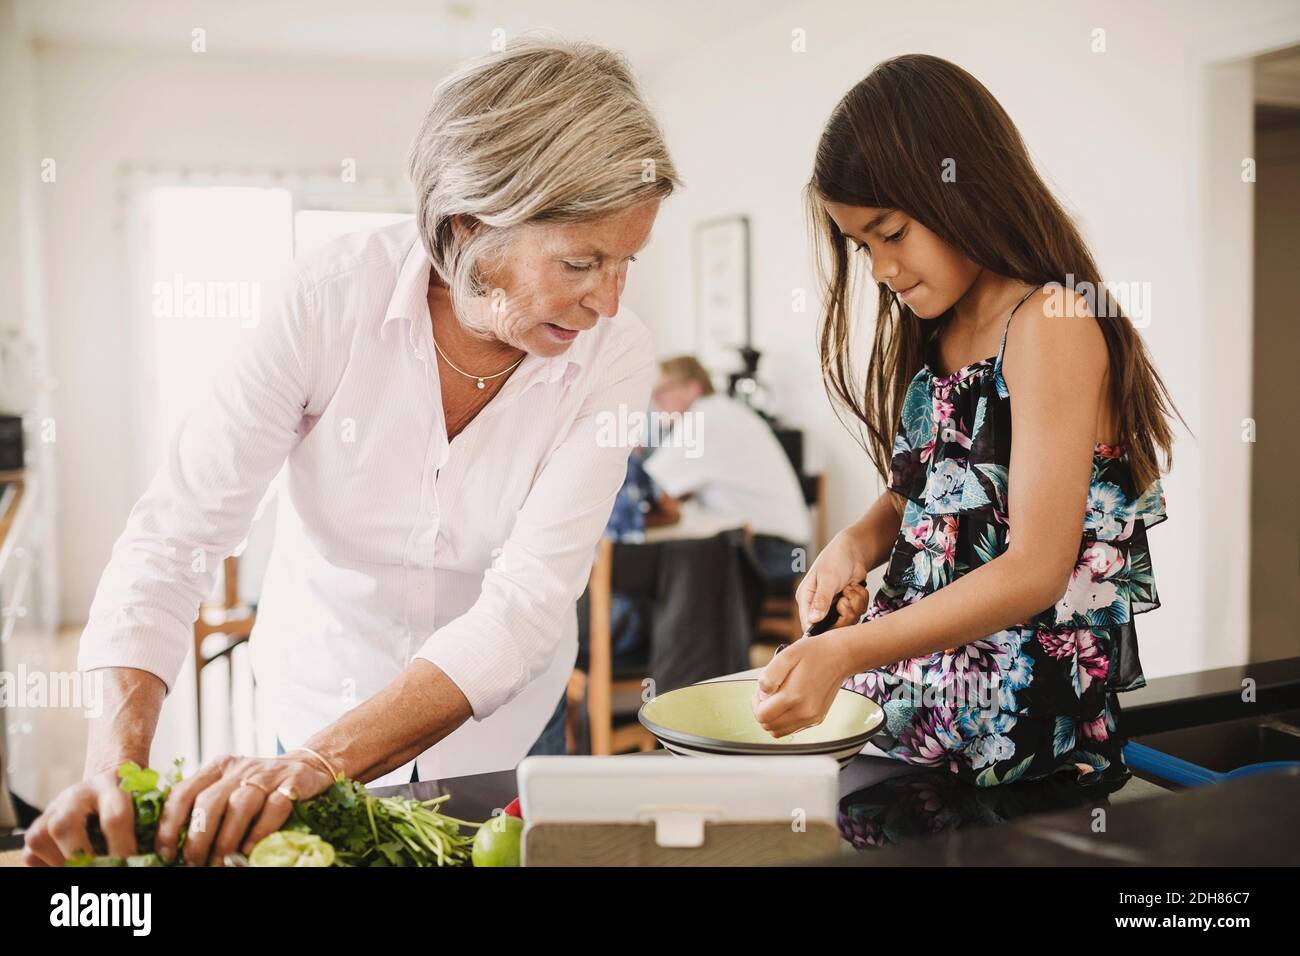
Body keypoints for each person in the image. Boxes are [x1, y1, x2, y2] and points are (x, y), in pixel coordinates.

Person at [23, 35, 680, 866]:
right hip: (315, 696)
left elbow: (520, 610)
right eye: (581, 262)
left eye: (627, 261)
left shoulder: (614, 355)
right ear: (469, 224)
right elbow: (174, 536)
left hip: (507, 731)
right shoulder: (324, 302)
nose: (609, 300)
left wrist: (304, 771)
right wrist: (114, 772)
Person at [753, 54, 1183, 789]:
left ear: (963, 189)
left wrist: (851, 651)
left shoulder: (1051, 322)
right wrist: (856, 544)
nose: (883, 268)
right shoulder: (943, 328)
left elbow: (1035, 569)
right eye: (864, 247)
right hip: (920, 724)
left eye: (892, 233)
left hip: (1018, 748)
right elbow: (927, 492)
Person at [643, 355, 811, 588]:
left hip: (772, 552)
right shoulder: (723, 411)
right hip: (789, 551)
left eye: (661, 391)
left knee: (661, 571)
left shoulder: (702, 421)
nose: (654, 402)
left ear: (692, 389)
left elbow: (646, 484)